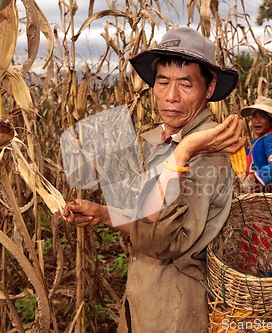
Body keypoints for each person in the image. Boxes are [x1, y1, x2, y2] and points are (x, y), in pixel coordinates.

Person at [62, 26, 244, 333]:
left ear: (209, 88)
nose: (171, 97)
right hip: (141, 298)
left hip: (176, 309)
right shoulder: (155, 138)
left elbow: (162, 240)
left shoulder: (208, 151)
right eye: (162, 82)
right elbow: (145, 217)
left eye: (186, 85)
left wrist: (184, 151)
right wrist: (103, 214)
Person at [240, 97, 272, 193]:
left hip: (264, 192)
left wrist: (255, 177)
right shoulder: (258, 140)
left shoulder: (269, 139)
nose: (257, 121)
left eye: (262, 117)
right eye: (254, 116)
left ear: (271, 121)